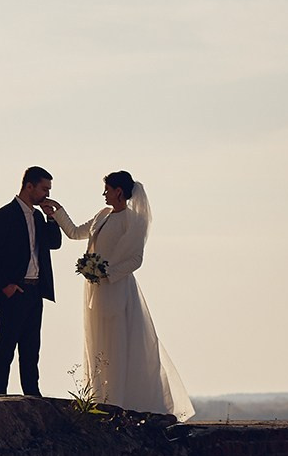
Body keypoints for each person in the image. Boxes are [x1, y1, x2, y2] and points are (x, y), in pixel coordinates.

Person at [49, 171, 196, 420]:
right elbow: (75, 233)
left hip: (117, 287)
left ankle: (121, 401)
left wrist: (106, 272)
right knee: (98, 339)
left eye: (107, 189)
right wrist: (57, 212)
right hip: (95, 288)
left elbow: (135, 259)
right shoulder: (102, 215)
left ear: (119, 191)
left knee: (118, 341)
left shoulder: (133, 220)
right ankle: (102, 398)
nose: (103, 193)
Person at [0, 166, 64, 397]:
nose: (47, 194)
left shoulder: (38, 216)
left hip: (35, 291)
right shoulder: (5, 215)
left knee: (31, 349)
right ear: (29, 186)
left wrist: (51, 217)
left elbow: (54, 243)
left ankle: (33, 396)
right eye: (44, 189)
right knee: (6, 347)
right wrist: (5, 285)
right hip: (14, 291)